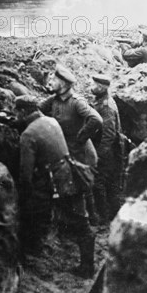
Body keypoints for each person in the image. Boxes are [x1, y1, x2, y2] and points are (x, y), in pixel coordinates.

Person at [40, 66, 101, 277]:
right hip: (65, 159)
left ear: (64, 84)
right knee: (76, 203)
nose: (51, 81)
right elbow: (36, 110)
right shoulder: (54, 100)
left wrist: (80, 138)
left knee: (79, 208)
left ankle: (87, 266)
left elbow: (96, 120)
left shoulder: (76, 102)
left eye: (54, 79)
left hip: (77, 161)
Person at [16, 96, 69, 257]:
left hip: (50, 181)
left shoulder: (28, 135)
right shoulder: (51, 120)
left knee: (29, 208)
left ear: (23, 111)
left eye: (16, 111)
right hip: (66, 174)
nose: (14, 114)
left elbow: (26, 175)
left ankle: (33, 249)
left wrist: (22, 197)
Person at [90, 74, 125, 223]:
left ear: (101, 88)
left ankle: (105, 219)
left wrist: (97, 156)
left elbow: (109, 135)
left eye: (93, 85)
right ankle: (113, 217)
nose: (91, 87)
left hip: (109, 151)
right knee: (111, 185)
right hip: (109, 150)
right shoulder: (101, 102)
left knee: (101, 183)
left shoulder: (107, 107)